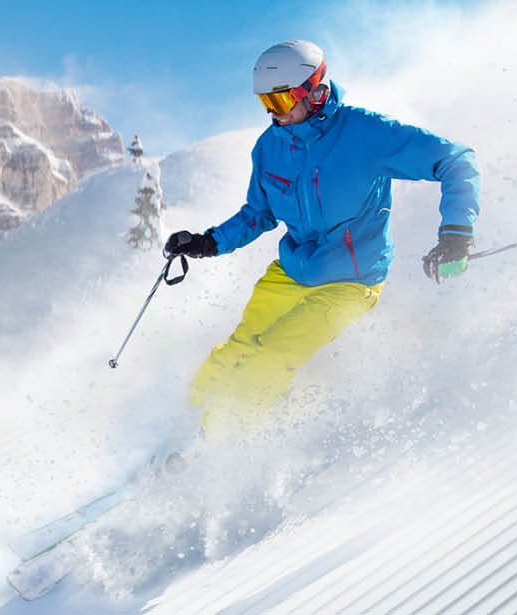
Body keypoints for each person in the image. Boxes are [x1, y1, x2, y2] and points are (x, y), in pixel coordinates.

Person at [164, 40, 479, 440]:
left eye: (279, 101)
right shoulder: (269, 147)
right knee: (240, 345)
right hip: (293, 269)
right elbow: (258, 214)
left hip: (351, 280)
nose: (272, 114)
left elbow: (457, 161)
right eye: (265, 102)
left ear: (313, 90)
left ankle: (221, 443)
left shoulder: (365, 134)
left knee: (271, 354)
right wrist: (208, 242)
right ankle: (183, 426)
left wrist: (456, 232)